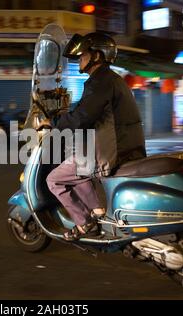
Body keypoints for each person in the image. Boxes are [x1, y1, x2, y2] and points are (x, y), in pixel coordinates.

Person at [42, 32, 146, 241]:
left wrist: (52, 123)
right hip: (125, 146)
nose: (80, 58)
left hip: (110, 151)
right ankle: (97, 211)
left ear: (97, 55)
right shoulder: (112, 80)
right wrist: (64, 118)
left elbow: (82, 117)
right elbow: (87, 112)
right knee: (79, 166)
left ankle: (83, 224)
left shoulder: (100, 82)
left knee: (54, 179)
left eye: (84, 54)